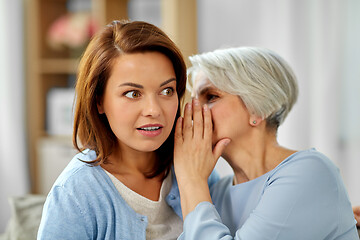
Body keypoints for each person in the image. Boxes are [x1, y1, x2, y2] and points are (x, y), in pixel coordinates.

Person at [37, 20, 219, 239]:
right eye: (133, 94)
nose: (154, 110)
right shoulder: (74, 194)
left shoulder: (194, 166)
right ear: (98, 101)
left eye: (167, 91)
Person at [173, 47, 358, 239]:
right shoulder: (216, 192)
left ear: (258, 109)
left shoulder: (311, 171)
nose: (192, 112)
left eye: (210, 96)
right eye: (193, 101)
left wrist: (192, 180)